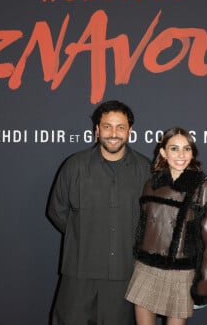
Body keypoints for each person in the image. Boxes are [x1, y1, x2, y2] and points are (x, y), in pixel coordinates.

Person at [47, 100, 152, 325]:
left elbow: (152, 218)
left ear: (129, 131)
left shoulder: (145, 169)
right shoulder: (74, 166)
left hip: (124, 274)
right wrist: (83, 235)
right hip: (79, 271)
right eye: (107, 126)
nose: (113, 133)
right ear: (97, 129)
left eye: (120, 127)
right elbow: (57, 210)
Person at [125, 127, 207, 325]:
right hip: (147, 269)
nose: (181, 155)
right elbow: (143, 228)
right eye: (174, 148)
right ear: (163, 152)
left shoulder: (202, 188)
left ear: (192, 153)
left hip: (181, 273)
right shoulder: (151, 184)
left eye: (186, 149)